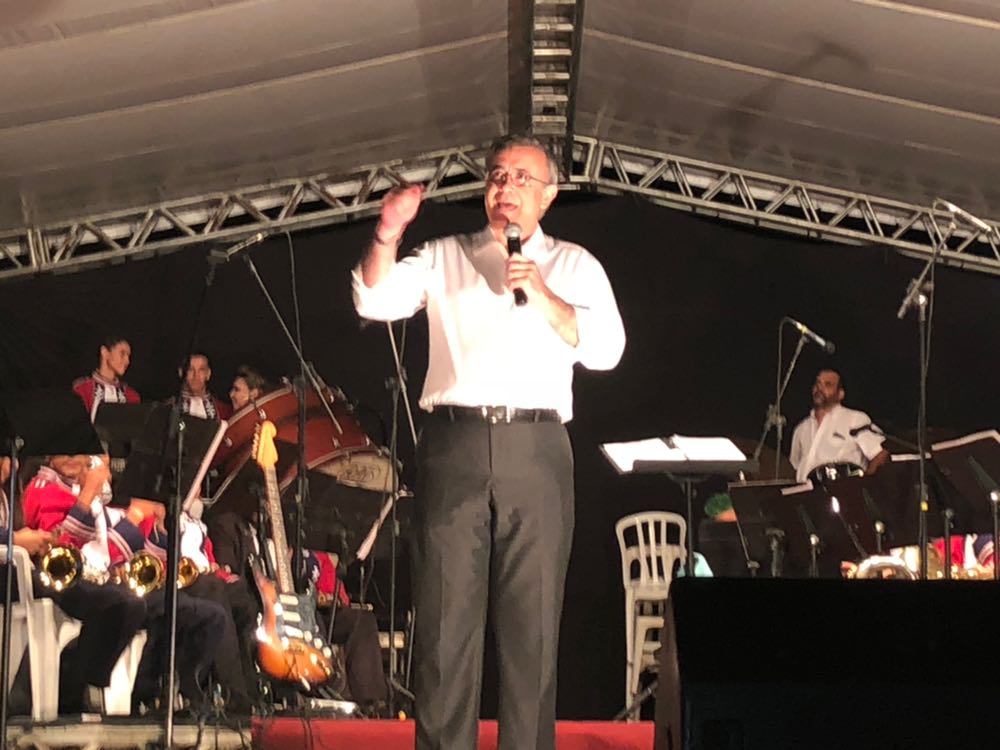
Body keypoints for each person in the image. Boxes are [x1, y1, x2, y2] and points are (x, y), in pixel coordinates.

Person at [353, 134, 626, 750]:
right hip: (456, 445)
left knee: (532, 631)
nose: (507, 188)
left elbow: (608, 351)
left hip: (537, 447)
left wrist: (542, 293)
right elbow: (373, 299)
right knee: (444, 629)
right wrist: (388, 233)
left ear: (549, 196)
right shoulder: (446, 254)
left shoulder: (575, 264)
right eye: (498, 176)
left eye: (522, 179)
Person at [789, 369, 890, 483]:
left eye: (828, 384)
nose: (819, 388)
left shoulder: (855, 419)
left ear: (840, 394)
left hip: (844, 490)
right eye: (817, 383)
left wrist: (865, 484)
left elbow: (880, 455)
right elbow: (794, 466)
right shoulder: (801, 428)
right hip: (805, 491)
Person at [72, 334, 140, 421]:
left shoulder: (131, 396)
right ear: (105, 352)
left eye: (128, 356)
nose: (127, 361)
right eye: (122, 353)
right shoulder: (82, 389)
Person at [176, 353, 233, 421]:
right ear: (181, 373)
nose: (196, 375)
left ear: (208, 374)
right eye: (190, 369)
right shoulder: (170, 408)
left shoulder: (223, 411)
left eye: (201, 370)